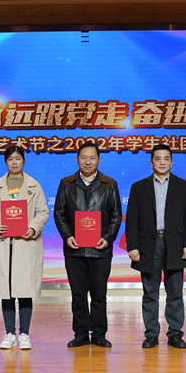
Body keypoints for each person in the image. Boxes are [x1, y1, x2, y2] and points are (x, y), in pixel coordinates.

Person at [125, 144, 186, 349]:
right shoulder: (139, 187)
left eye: (166, 158)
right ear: (151, 162)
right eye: (158, 158)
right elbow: (132, 219)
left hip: (175, 245)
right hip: (148, 246)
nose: (162, 162)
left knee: (175, 292)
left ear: (172, 162)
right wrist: (133, 246)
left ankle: (175, 334)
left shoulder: (183, 186)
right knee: (150, 293)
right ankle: (151, 334)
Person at [53, 141, 122, 348]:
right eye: (84, 157)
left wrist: (107, 238)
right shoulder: (66, 183)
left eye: (92, 158)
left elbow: (116, 215)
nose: (88, 162)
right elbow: (59, 213)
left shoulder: (109, 184)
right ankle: (81, 333)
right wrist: (67, 236)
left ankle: (99, 333)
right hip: (74, 250)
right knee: (78, 295)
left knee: (99, 295)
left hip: (101, 249)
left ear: (99, 160)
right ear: (77, 159)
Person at [0, 146, 49, 350]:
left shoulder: (34, 185)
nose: (14, 162)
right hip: (4, 244)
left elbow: (43, 212)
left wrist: (33, 227)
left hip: (25, 244)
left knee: (25, 290)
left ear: (23, 161)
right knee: (7, 290)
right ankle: (10, 333)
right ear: (6, 162)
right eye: (10, 159)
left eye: (18, 158)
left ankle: (25, 334)